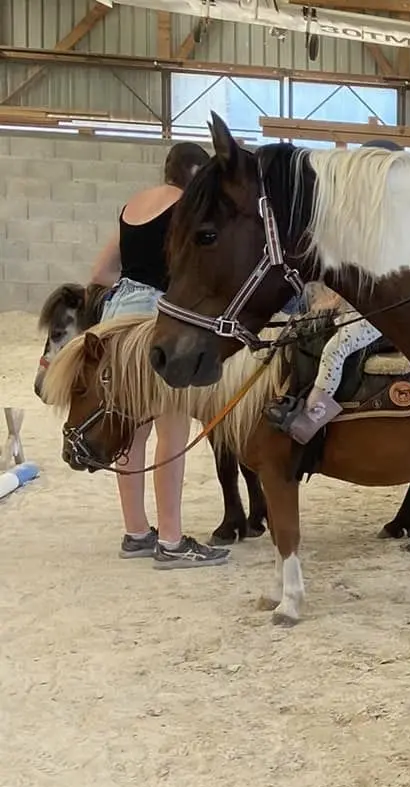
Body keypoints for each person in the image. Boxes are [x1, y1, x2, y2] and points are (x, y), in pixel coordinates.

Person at [89, 140, 230, 569]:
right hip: (159, 323)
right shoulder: (189, 210)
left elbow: (100, 274)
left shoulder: (133, 204)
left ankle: (136, 532)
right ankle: (171, 541)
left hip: (116, 322)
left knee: (133, 431)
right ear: (197, 176)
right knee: (172, 432)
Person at [270, 139, 403, 443]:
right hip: (360, 306)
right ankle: (293, 395)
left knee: (335, 348)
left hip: (384, 312)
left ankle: (311, 420)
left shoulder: (392, 225)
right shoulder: (363, 219)